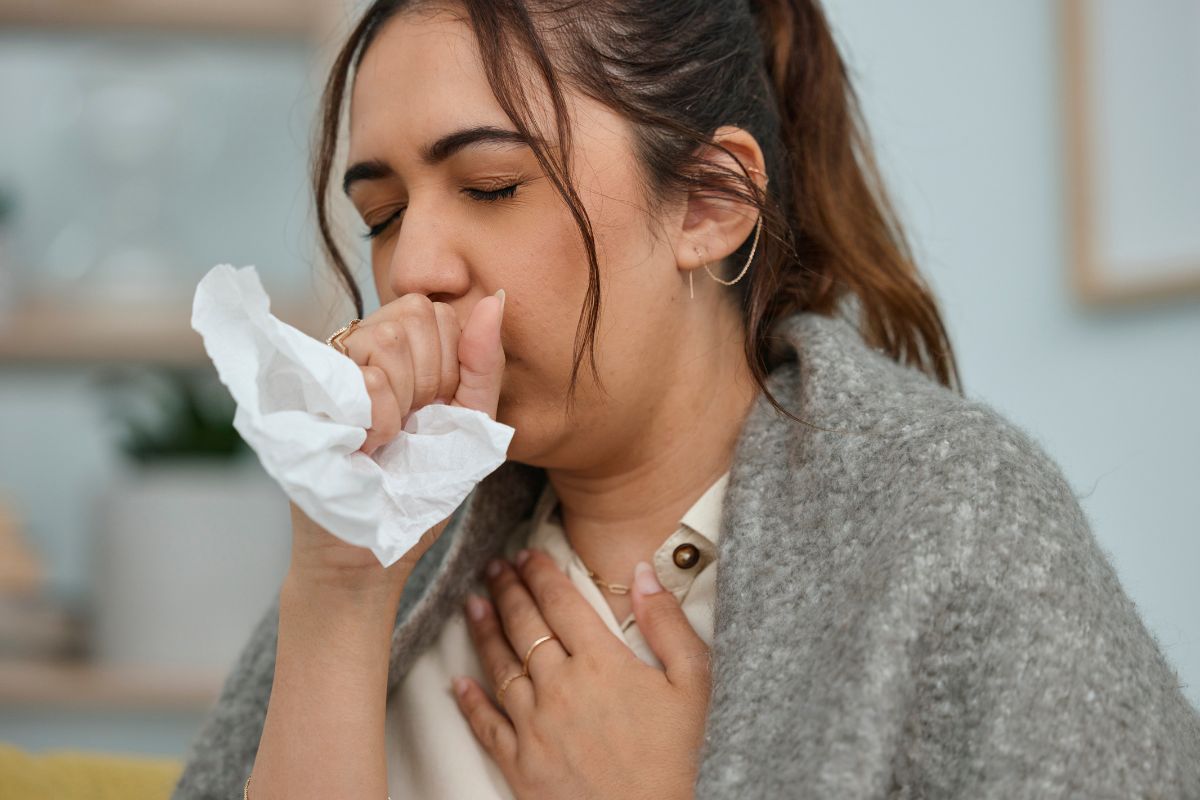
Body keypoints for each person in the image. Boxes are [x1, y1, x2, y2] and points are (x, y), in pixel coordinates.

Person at [172, 0, 1200, 798]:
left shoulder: (957, 519)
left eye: (490, 186)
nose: (417, 266)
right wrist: (341, 589)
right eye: (383, 214)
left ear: (710, 202)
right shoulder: (394, 547)